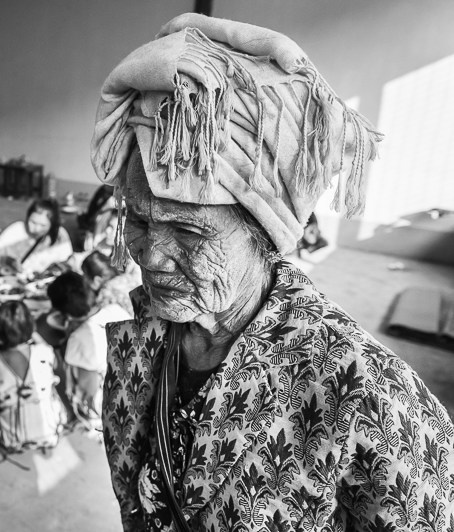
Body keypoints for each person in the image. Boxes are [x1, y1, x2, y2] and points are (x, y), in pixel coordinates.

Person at [90, 13, 453, 531]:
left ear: (265, 234)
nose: (150, 255)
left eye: (189, 231)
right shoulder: (147, 331)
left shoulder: (369, 400)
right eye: (139, 220)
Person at [47, 271, 130, 434]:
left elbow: (88, 388)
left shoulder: (79, 338)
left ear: (66, 314)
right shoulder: (115, 310)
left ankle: (83, 419)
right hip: (137, 388)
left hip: (112, 408)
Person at [0, 300, 67, 452]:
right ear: (32, 327)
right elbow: (55, 362)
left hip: (12, 439)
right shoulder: (44, 352)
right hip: (51, 432)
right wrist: (31, 331)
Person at [0, 198, 73, 276]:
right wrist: (6, 261)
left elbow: (69, 262)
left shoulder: (60, 235)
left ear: (52, 225)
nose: (36, 229)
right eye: (33, 222)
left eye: (43, 225)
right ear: (28, 217)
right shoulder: (17, 230)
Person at [80, 250, 137, 316]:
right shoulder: (128, 278)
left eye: (85, 276)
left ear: (97, 280)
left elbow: (94, 317)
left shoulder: (106, 293)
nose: (84, 282)